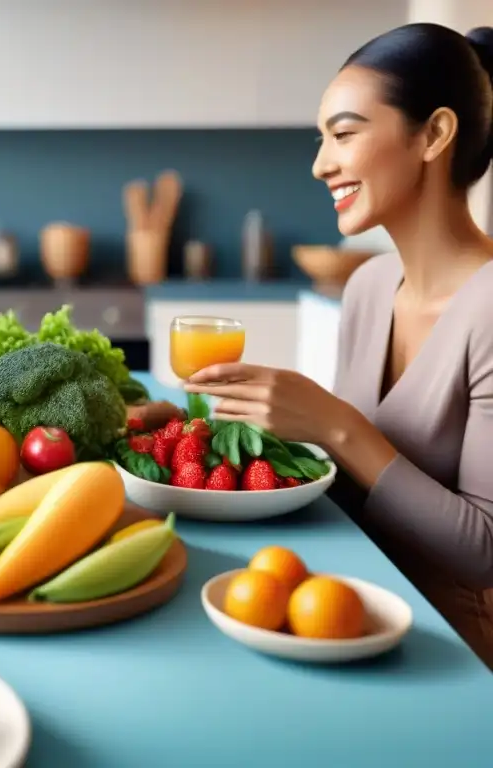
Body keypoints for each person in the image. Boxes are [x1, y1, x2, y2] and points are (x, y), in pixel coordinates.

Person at [184, 22, 493, 669]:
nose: (321, 163)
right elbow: (348, 486)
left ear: (434, 134)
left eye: (344, 133)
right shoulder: (370, 284)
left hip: (454, 649)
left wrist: (336, 424)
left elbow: (485, 552)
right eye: (322, 138)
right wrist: (207, 431)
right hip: (344, 607)